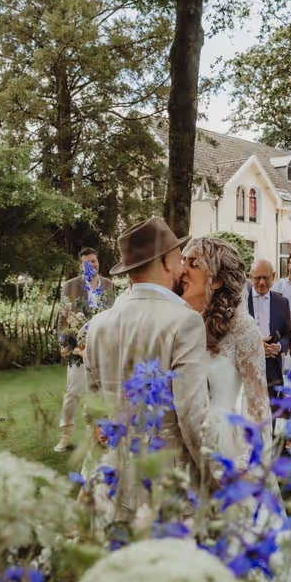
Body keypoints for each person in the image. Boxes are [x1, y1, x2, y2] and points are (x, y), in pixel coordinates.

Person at [84, 217, 209, 515]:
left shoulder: (97, 325)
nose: (181, 267)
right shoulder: (184, 322)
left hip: (118, 482)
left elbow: (95, 406)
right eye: (178, 257)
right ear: (165, 260)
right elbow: (193, 420)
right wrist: (219, 477)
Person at [179, 239, 271, 465]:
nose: (183, 270)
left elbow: (257, 408)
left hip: (222, 449)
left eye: (194, 264)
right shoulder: (178, 322)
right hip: (177, 446)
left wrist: (244, 464)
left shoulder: (243, 331)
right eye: (183, 261)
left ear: (218, 280)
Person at [54, 247, 115, 452]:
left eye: (94, 261)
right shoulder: (70, 286)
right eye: (87, 263)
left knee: (101, 394)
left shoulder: (109, 285)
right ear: (81, 266)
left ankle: (97, 435)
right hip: (77, 351)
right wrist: (64, 343)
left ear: (98, 262)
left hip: (103, 351)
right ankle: (65, 435)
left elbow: (115, 315)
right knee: (73, 393)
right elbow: (63, 318)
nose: (92, 265)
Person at [246, 259, 291, 404]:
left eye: (265, 278)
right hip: (247, 367)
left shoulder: (282, 302)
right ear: (250, 277)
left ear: (273, 276)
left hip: (272, 368)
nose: (261, 282)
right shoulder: (240, 301)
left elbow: (288, 337)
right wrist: (256, 346)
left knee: (272, 410)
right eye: (257, 278)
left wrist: (278, 347)